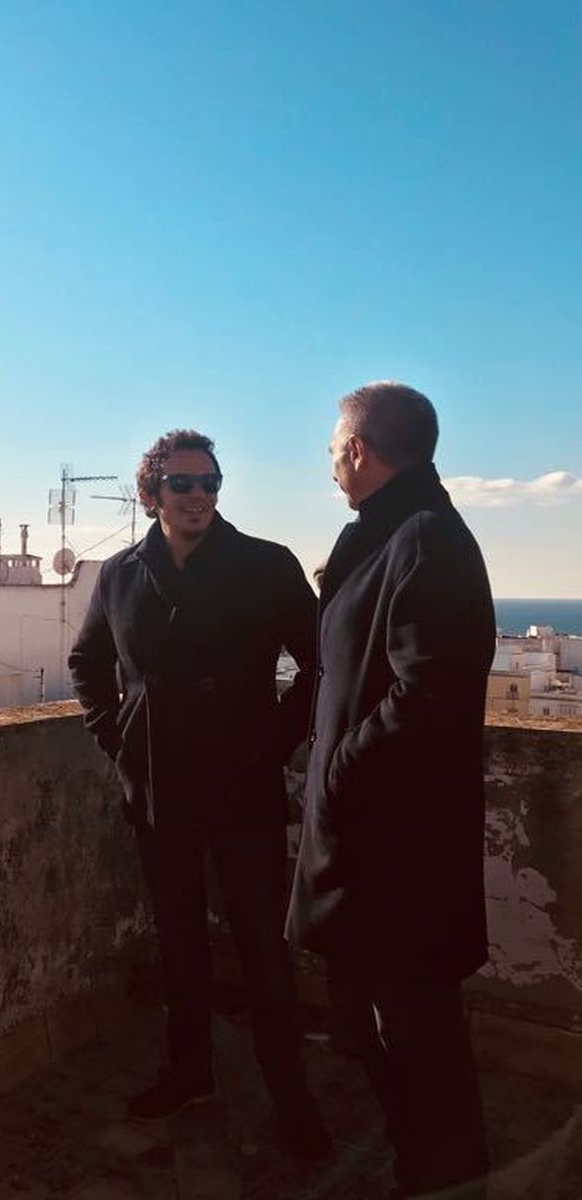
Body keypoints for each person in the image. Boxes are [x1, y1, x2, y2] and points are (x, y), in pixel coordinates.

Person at [68, 429, 329, 1158]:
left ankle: (292, 1097)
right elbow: (87, 661)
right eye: (182, 484)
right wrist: (116, 737)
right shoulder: (120, 573)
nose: (200, 496)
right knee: (178, 942)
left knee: (263, 951)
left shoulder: (265, 565)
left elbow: (319, 667)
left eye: (210, 482)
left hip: (241, 785)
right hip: (156, 786)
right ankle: (189, 1072)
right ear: (150, 494)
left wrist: (272, 745)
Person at [288, 382, 494, 1196]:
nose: (330, 457)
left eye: (334, 442)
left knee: (418, 1037)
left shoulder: (428, 541)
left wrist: (337, 775)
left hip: (398, 852)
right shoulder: (387, 536)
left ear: (359, 451)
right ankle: (423, 1168)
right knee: (378, 1028)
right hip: (369, 843)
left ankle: (447, 1179)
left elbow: (428, 695)